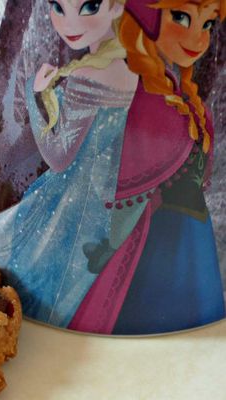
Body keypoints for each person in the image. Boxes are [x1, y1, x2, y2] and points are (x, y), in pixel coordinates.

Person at [0, 0, 139, 328]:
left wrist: (34, 95)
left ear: (116, 7)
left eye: (89, 7)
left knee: (6, 271)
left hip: (68, 203)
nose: (69, 23)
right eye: (58, 6)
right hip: (103, 202)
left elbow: (58, 157)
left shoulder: (88, 73)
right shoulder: (127, 67)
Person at [69, 0, 226, 334]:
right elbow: (123, 176)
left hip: (191, 236)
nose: (198, 38)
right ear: (146, 18)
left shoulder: (179, 92)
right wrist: (112, 239)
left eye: (208, 24)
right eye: (181, 18)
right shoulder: (137, 96)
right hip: (153, 240)